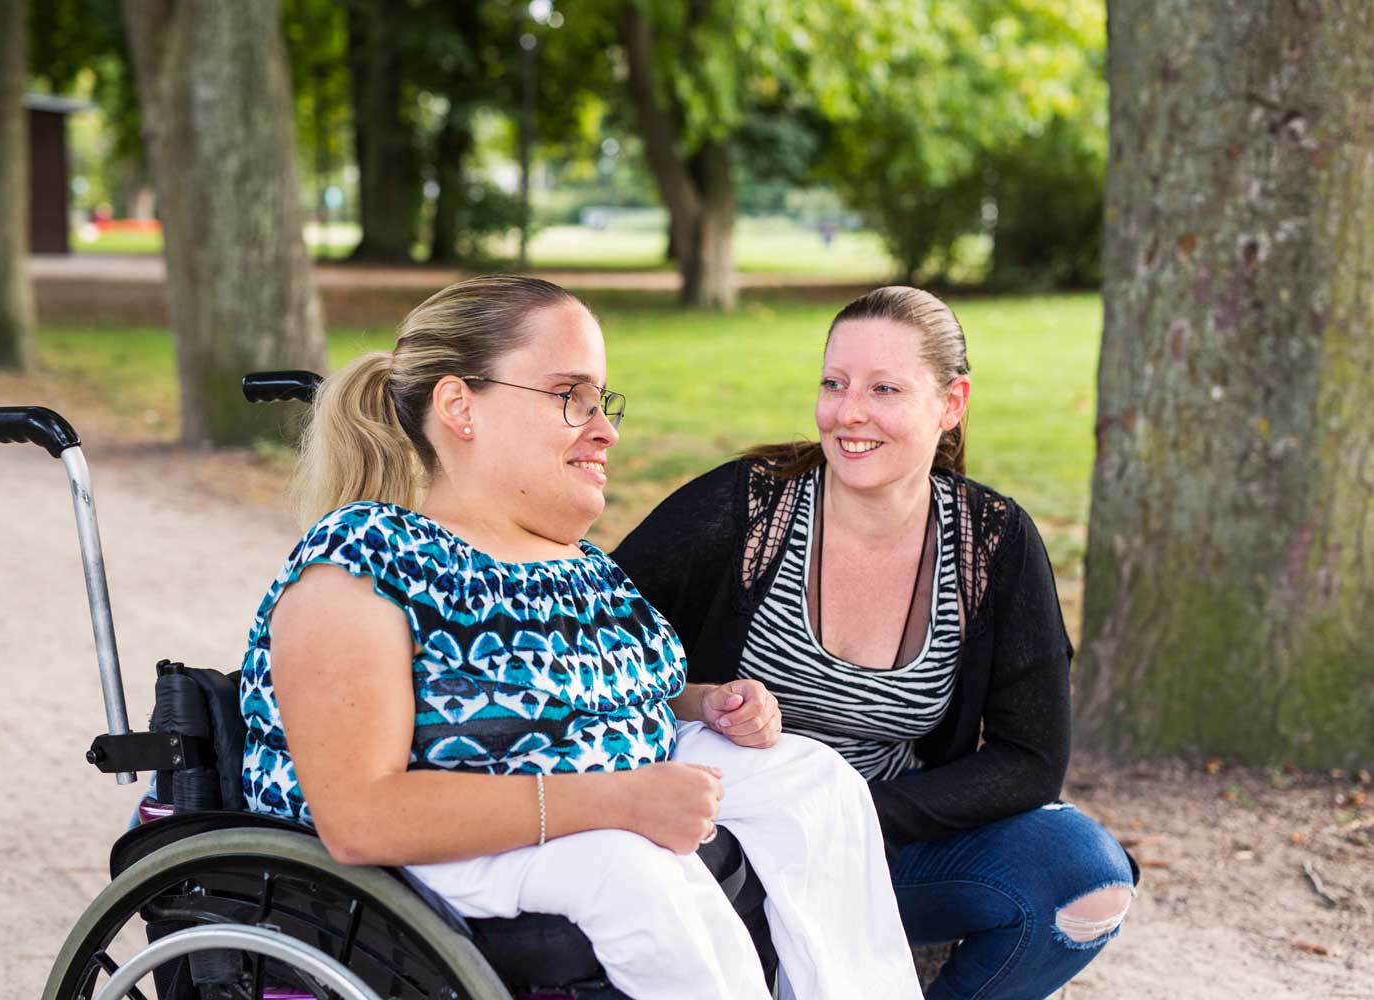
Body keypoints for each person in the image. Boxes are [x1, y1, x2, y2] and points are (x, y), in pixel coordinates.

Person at [237, 275, 922, 1000]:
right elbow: (360, 817)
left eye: (603, 401)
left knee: (817, 782)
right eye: (572, 396)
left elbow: (578, 691)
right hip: (443, 841)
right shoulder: (362, 563)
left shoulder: (569, 561)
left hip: (581, 781)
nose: (606, 429)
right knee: (633, 871)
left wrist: (702, 704)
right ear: (460, 406)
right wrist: (618, 801)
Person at [613, 285, 1138, 1000]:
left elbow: (1030, 760)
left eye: (884, 388)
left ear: (951, 404)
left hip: (881, 846)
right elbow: (598, 646)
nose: (848, 412)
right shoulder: (743, 511)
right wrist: (701, 701)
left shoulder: (993, 544)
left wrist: (851, 815)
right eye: (834, 384)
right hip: (729, 852)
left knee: (1083, 877)